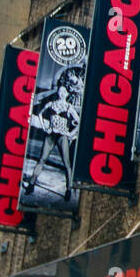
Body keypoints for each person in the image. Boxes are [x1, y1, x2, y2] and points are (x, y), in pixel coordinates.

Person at [24, 64, 84, 202]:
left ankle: (68, 189)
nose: (61, 93)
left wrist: (71, 133)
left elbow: (79, 121)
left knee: (67, 163)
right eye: (60, 91)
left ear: (67, 94)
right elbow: (40, 113)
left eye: (64, 92)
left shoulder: (69, 107)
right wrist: (45, 126)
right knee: (42, 159)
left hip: (62, 136)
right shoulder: (51, 104)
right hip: (51, 135)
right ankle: (31, 184)